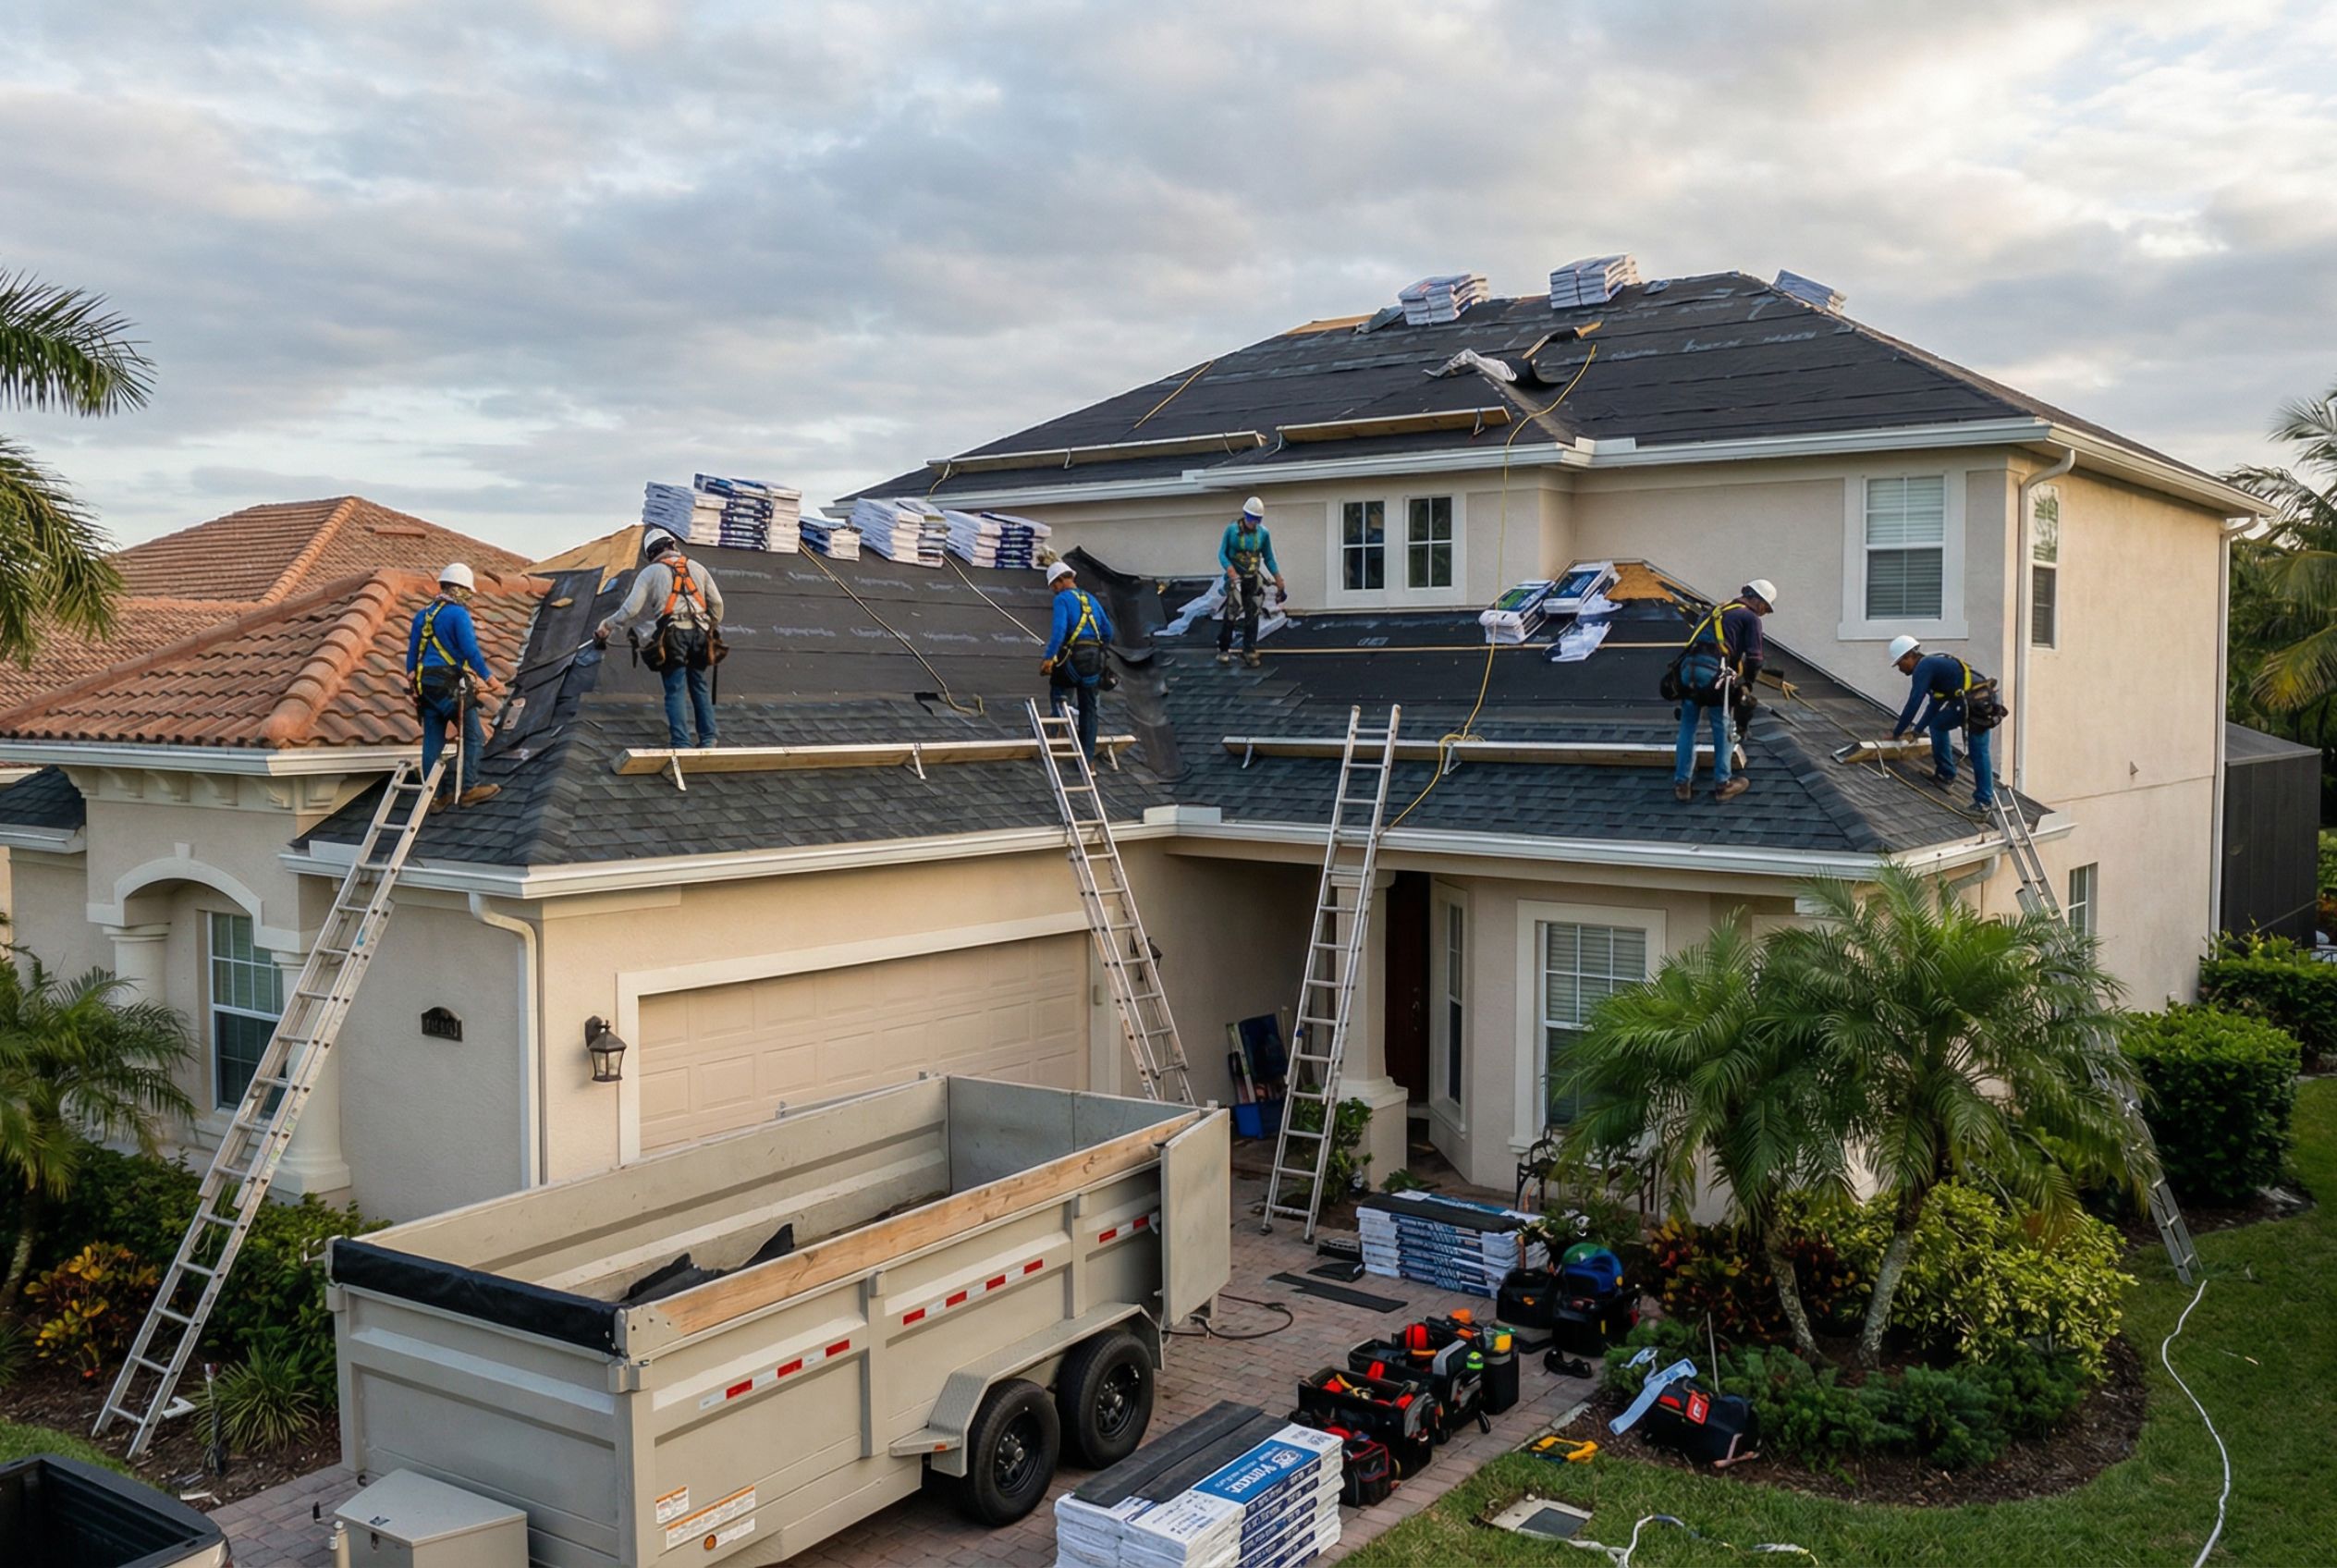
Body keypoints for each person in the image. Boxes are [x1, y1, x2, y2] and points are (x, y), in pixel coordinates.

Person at [596, 532, 726, 749]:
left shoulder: (651, 573)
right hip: (701, 635)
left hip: (673, 635)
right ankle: (708, 739)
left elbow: (631, 609)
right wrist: (710, 626)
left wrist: (606, 625)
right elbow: (718, 605)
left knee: (675, 688)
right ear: (672, 545)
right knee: (699, 685)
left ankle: (681, 743)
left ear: (651, 554)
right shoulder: (697, 568)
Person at [1670, 579, 1775, 803]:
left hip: (1687, 672)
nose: (1764, 613)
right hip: (1713, 674)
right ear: (1757, 600)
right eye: (1766, 608)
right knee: (1723, 724)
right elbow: (1755, 658)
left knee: (1688, 725)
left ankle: (1682, 784)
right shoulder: (1749, 617)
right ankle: (1723, 784)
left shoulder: (1713, 612)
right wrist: (1748, 682)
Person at [406, 562, 502, 809]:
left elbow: (411, 657)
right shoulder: (458, 615)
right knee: (473, 736)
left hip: (425, 684)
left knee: (433, 740)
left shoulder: (423, 614)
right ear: (460, 589)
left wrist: (416, 687)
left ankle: (436, 797)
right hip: (449, 684)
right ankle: (468, 789)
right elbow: (470, 651)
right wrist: (490, 679)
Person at [1889, 635, 1998, 809]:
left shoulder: (1924, 667)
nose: (1900, 669)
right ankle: (1951, 778)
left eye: (1900, 663)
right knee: (1941, 726)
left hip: (1974, 701)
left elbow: (1914, 701)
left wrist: (1897, 733)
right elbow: (1934, 705)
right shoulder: (1933, 665)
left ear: (1909, 656)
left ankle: (1980, 799)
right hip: (1981, 698)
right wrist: (1916, 731)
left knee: (1977, 751)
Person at [1039, 559, 1115, 756]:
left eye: (1054, 585)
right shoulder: (1091, 599)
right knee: (1089, 709)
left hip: (1073, 659)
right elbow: (1107, 631)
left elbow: (1059, 630)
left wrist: (1048, 658)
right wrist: (1099, 651)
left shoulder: (1062, 599)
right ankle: (1087, 758)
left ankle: (1055, 734)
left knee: (1058, 688)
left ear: (1061, 580)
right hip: (1095, 660)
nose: (1054, 590)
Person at [1216, 496, 1286, 668]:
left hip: (1253, 578)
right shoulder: (1232, 531)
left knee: (1253, 614)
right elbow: (1222, 554)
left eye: (1257, 520)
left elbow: (1269, 558)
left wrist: (1278, 579)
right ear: (1245, 516)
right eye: (1251, 519)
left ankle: (1249, 649)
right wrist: (1230, 570)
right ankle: (1223, 649)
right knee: (1232, 613)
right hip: (1236, 579)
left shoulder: (1263, 534)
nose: (1253, 523)